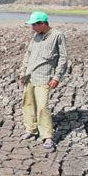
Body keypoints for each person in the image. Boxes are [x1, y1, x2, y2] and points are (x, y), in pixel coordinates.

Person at [18, 11, 68, 151]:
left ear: (43, 24)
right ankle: (31, 129)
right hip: (30, 76)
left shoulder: (57, 36)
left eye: (34, 25)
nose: (32, 27)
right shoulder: (35, 36)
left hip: (45, 77)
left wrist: (57, 77)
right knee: (27, 103)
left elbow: (63, 59)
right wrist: (22, 72)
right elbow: (28, 55)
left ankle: (47, 136)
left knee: (42, 106)